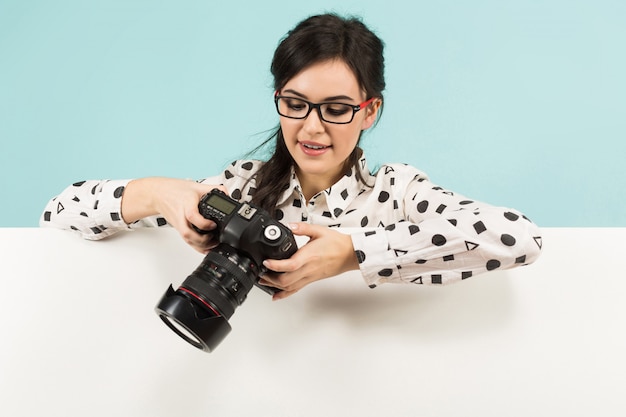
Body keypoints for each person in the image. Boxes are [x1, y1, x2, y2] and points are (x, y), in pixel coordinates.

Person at [40, 13, 542, 300]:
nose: (312, 126)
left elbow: (519, 237)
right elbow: (58, 213)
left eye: (338, 108)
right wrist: (159, 194)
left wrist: (353, 253)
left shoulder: (396, 192)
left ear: (371, 112)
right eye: (295, 103)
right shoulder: (240, 188)